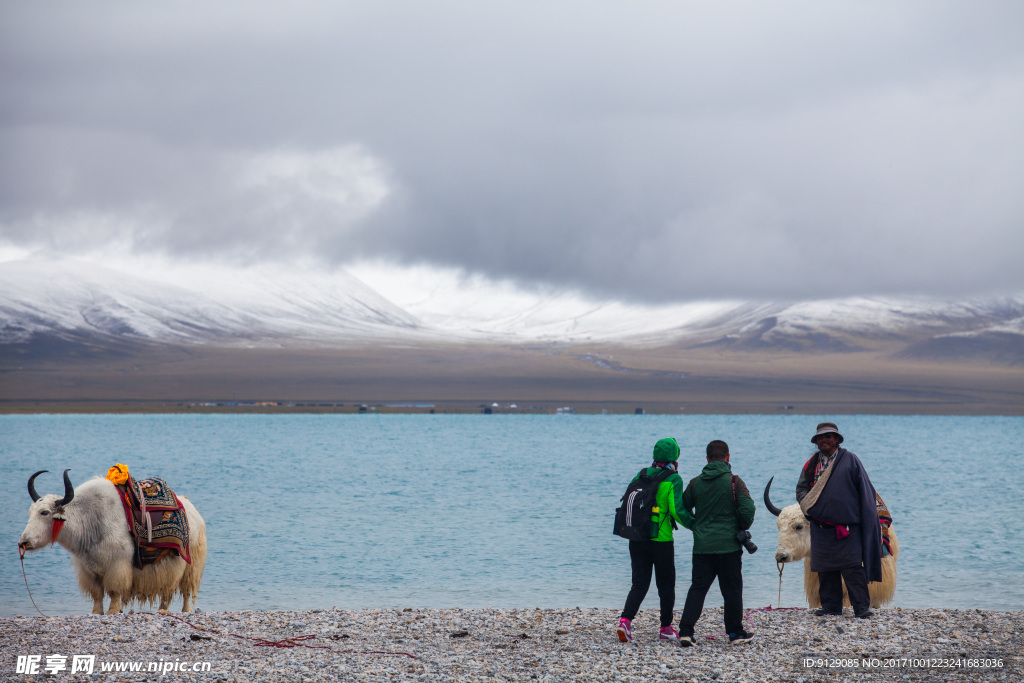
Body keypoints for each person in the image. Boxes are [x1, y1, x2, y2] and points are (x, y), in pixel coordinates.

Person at [796, 421, 882, 619]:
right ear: (816, 442)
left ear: (837, 439)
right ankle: (831, 607)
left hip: (847, 527)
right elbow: (801, 489)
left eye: (828, 436)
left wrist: (865, 519)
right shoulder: (811, 465)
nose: (824, 440)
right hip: (820, 527)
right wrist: (806, 504)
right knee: (825, 569)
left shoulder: (851, 460)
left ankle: (861, 607)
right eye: (820, 437)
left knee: (852, 568)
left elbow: (865, 491)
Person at [677, 440, 756, 646]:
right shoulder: (735, 482)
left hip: (702, 547)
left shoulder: (695, 483)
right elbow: (748, 510)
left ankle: (686, 632)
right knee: (731, 590)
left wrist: (695, 525)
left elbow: (682, 508)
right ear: (728, 457)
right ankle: (735, 633)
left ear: (707, 459)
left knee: (698, 588)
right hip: (729, 547)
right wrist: (741, 525)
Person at [617, 437, 693, 644]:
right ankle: (666, 628)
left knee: (639, 583)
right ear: (675, 455)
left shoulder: (641, 473)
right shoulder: (673, 478)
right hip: (661, 540)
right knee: (666, 584)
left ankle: (625, 621)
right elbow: (677, 511)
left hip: (636, 537)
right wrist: (696, 525)